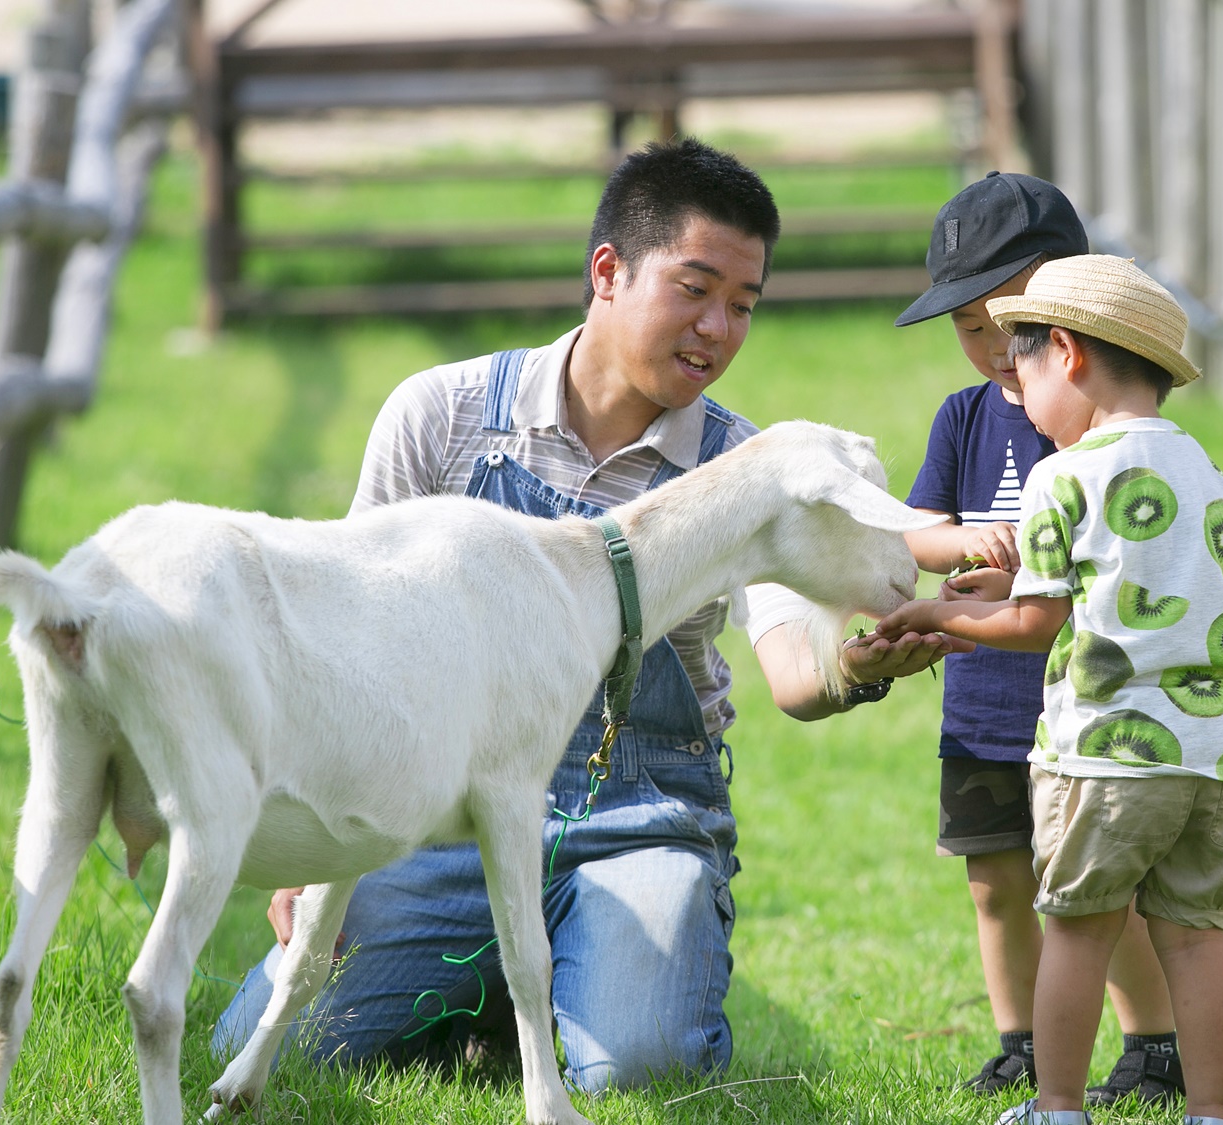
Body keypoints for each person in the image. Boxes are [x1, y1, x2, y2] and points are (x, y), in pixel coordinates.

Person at [212, 138, 964, 1092]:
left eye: (743, 305)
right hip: (438, 818)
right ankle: (490, 990)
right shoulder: (440, 416)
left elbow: (792, 672)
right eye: (695, 289)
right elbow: (349, 644)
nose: (719, 329)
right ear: (607, 270)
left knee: (638, 1065)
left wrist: (861, 666)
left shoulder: (748, 467)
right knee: (286, 1041)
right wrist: (319, 854)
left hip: (635, 818)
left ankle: (592, 971)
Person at [877, 255, 1223, 1125]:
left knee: (1077, 927)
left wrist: (936, 617)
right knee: (1196, 940)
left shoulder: (1065, 476)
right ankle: (1215, 1113)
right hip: (1218, 763)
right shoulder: (1218, 481)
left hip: (1107, 760)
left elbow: (1036, 623)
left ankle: (1056, 1104)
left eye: (1021, 369)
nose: (1016, 394)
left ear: (1064, 352)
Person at [895, 173, 1184, 1107]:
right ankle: (1019, 1040)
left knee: (1103, 891)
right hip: (985, 697)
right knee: (996, 879)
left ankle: (1153, 1042)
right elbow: (916, 533)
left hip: (1090, 700)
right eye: (969, 329)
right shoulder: (964, 418)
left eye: (1004, 326)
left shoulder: (1111, 432)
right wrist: (963, 541)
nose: (990, 351)